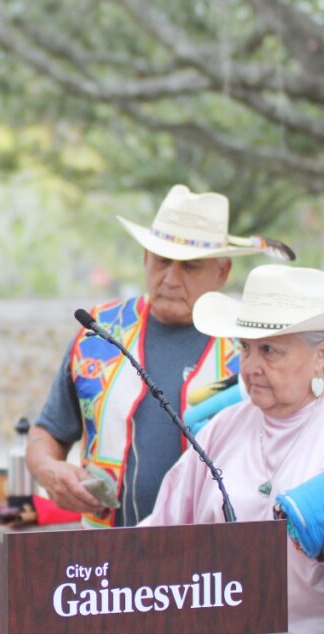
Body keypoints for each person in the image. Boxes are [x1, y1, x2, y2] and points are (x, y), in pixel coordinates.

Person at [26, 185, 293, 529]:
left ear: (222, 273)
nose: (170, 278)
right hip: (106, 558)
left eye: (190, 267)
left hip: (214, 559)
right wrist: (49, 470)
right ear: (144, 258)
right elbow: (49, 431)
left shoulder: (252, 346)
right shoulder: (100, 332)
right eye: (162, 261)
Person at [140, 264, 324, 634]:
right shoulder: (224, 428)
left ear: (320, 357)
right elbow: (158, 534)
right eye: (246, 348)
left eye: (270, 351)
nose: (251, 365)